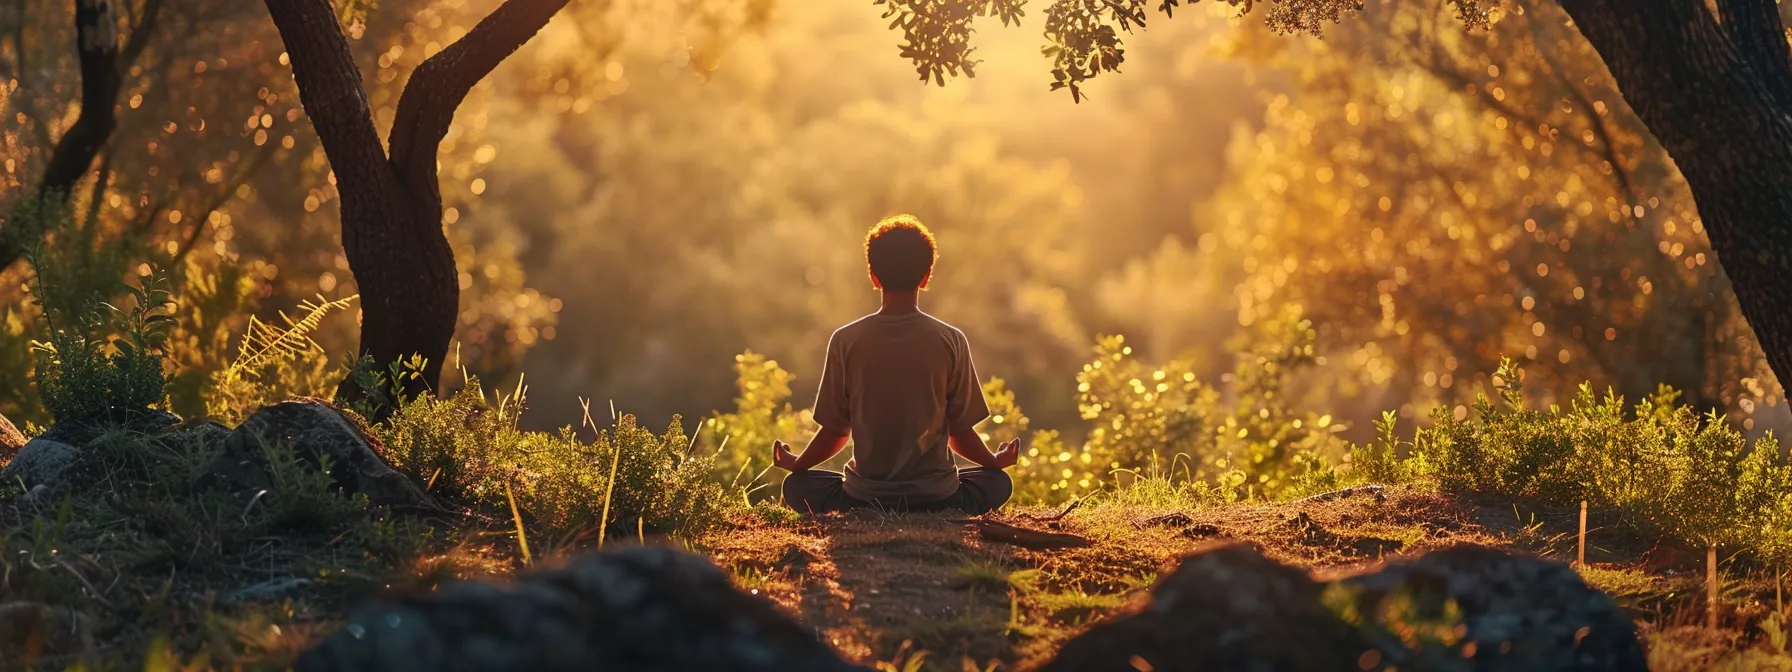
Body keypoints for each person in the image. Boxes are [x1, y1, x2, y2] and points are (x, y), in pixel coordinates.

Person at [773, 214, 1018, 515]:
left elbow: (836, 432)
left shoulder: (845, 341)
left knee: (797, 486)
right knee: (997, 482)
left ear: (873, 276)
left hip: (864, 497)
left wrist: (797, 464)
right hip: (937, 497)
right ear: (926, 276)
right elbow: (959, 433)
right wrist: (994, 461)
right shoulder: (950, 340)